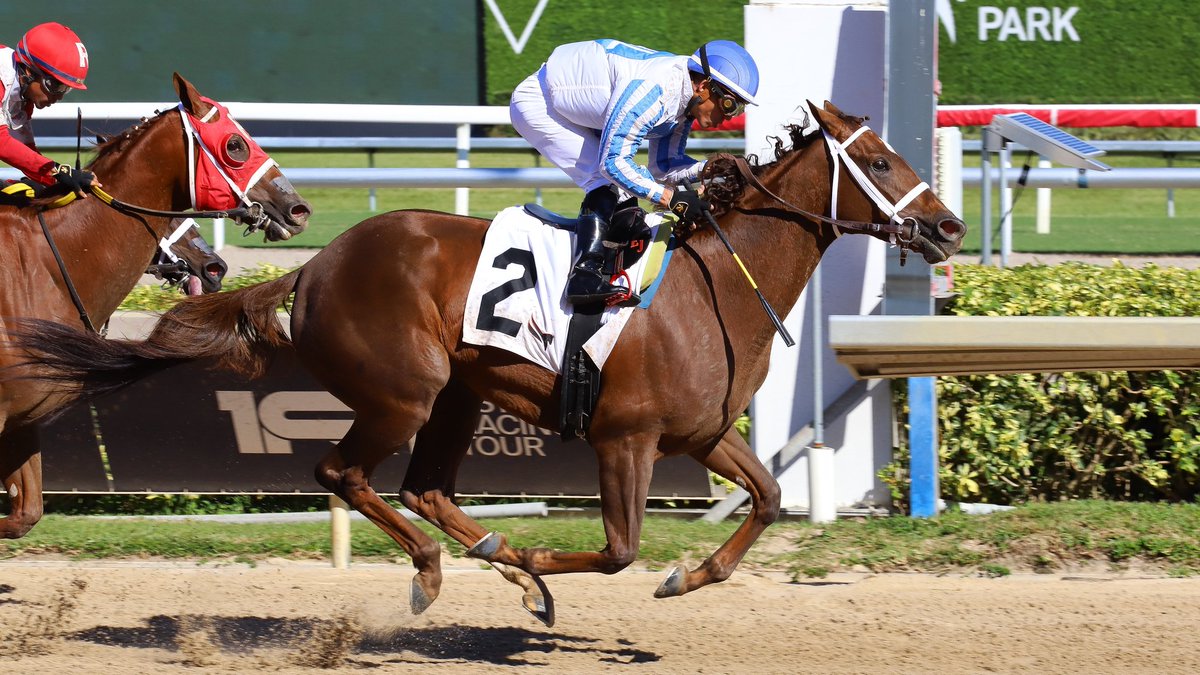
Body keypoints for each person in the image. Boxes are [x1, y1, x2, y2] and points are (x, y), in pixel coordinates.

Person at [510, 38, 759, 305]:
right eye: (731, 105)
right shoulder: (655, 91)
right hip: (541, 104)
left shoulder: (684, 102)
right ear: (705, 86)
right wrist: (670, 198)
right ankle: (584, 277)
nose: (731, 117)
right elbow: (612, 163)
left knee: (627, 196)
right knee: (604, 181)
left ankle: (606, 272)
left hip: (577, 109)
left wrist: (712, 171)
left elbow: (664, 167)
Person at [1, 22, 96, 199]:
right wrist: (58, 171)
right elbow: (1, 143)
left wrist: (60, 180)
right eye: (55, 86)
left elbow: (25, 150)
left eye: (65, 90)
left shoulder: (22, 94)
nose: (58, 97)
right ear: (28, 71)